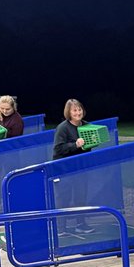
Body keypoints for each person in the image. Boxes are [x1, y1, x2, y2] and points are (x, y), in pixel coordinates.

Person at [53, 99, 93, 234]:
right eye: (74, 110)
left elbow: (89, 146)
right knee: (63, 198)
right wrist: (75, 145)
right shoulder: (63, 128)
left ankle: (80, 224)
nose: (78, 113)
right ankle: (61, 228)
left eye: (79, 109)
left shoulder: (87, 126)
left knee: (81, 196)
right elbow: (58, 149)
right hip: (63, 169)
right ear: (68, 112)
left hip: (80, 168)